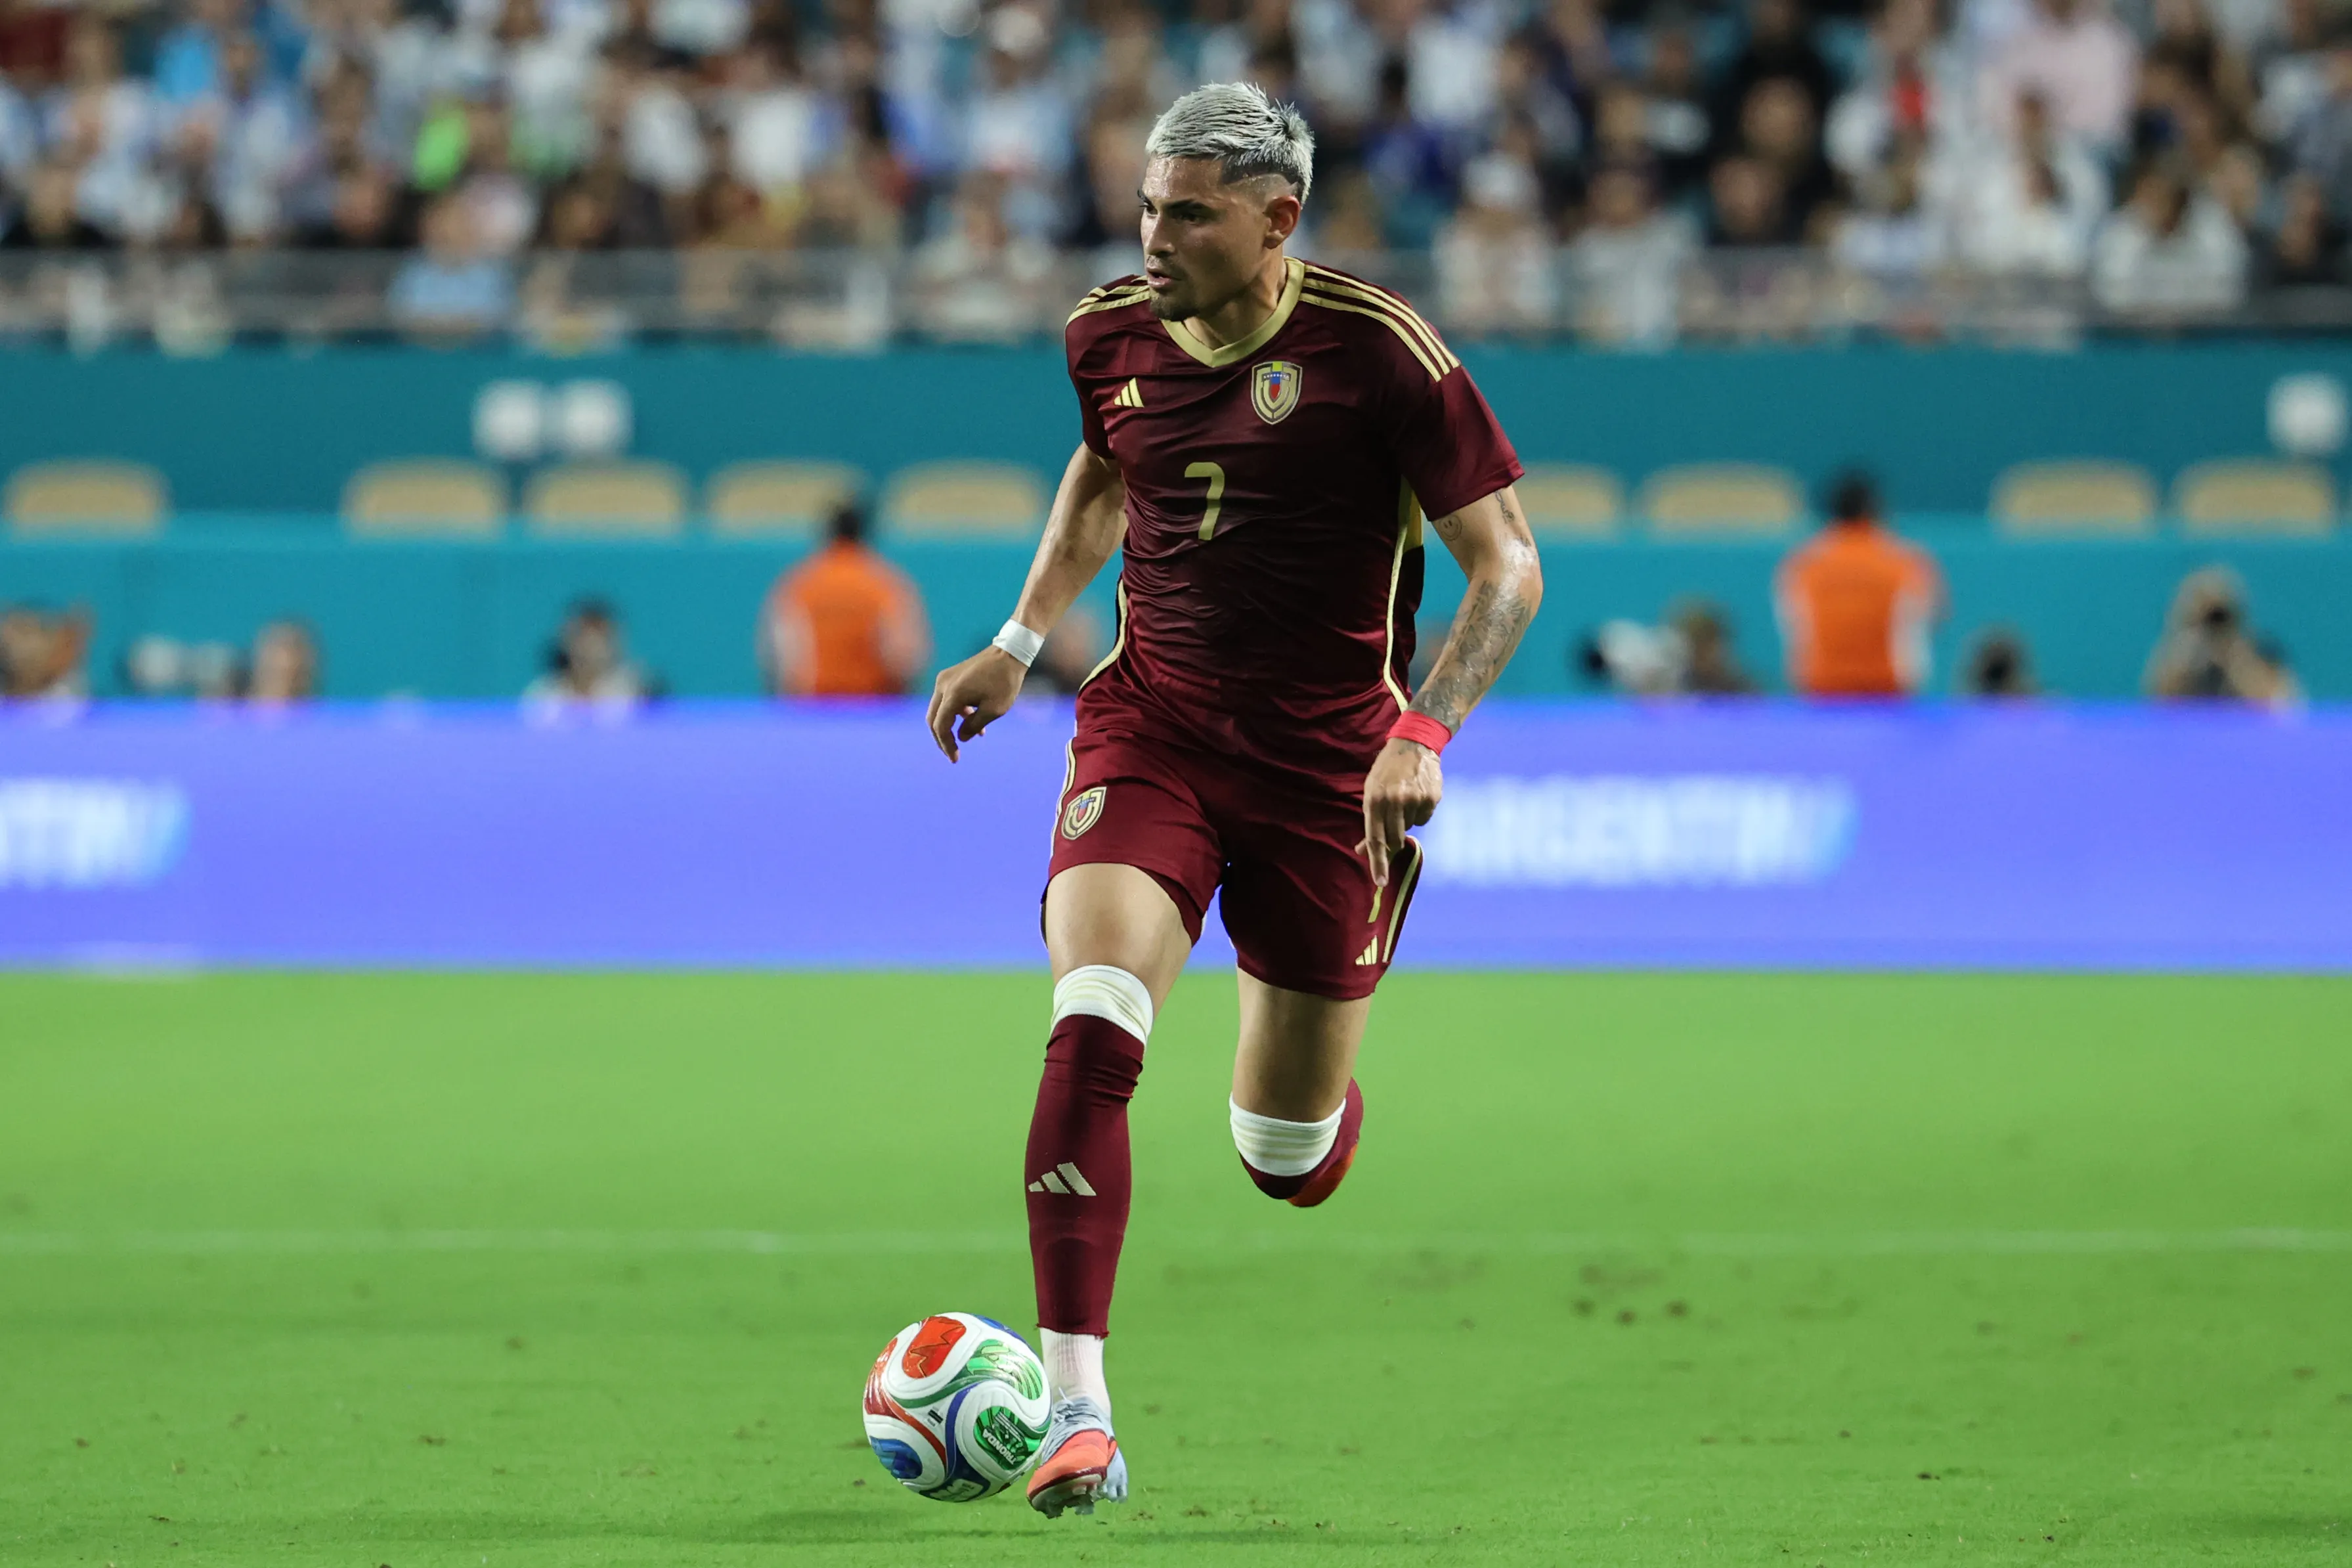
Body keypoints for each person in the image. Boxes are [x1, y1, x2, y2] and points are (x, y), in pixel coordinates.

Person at [923, 82, 1539, 1520]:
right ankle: (1079, 1416)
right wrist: (1021, 642)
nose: (1154, 235)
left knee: (1282, 1155)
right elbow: (1102, 471)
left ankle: (1313, 1117)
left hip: (1334, 777)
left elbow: (1507, 568)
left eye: (1188, 214)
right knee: (1095, 1014)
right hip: (1156, 734)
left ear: (1279, 220)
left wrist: (1425, 728)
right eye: (1146, 206)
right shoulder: (1104, 333)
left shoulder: (1382, 354)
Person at [1774, 470, 1943, 697]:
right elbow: (1932, 619)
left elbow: (1794, 628)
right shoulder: (1907, 562)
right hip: (1889, 694)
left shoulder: (1801, 564)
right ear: (1875, 510)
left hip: (1822, 694)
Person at [758, 500, 930, 697]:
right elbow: (902, 656)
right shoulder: (886, 584)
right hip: (873, 708)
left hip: (812, 709)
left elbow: (780, 658)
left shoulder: (799, 585)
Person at [2143, 566, 2299, 706]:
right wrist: (2187, 651)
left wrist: (2235, 660)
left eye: (2219, 618)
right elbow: (2159, 703)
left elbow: (2281, 708)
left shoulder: (2262, 655)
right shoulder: (2179, 657)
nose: (2214, 627)